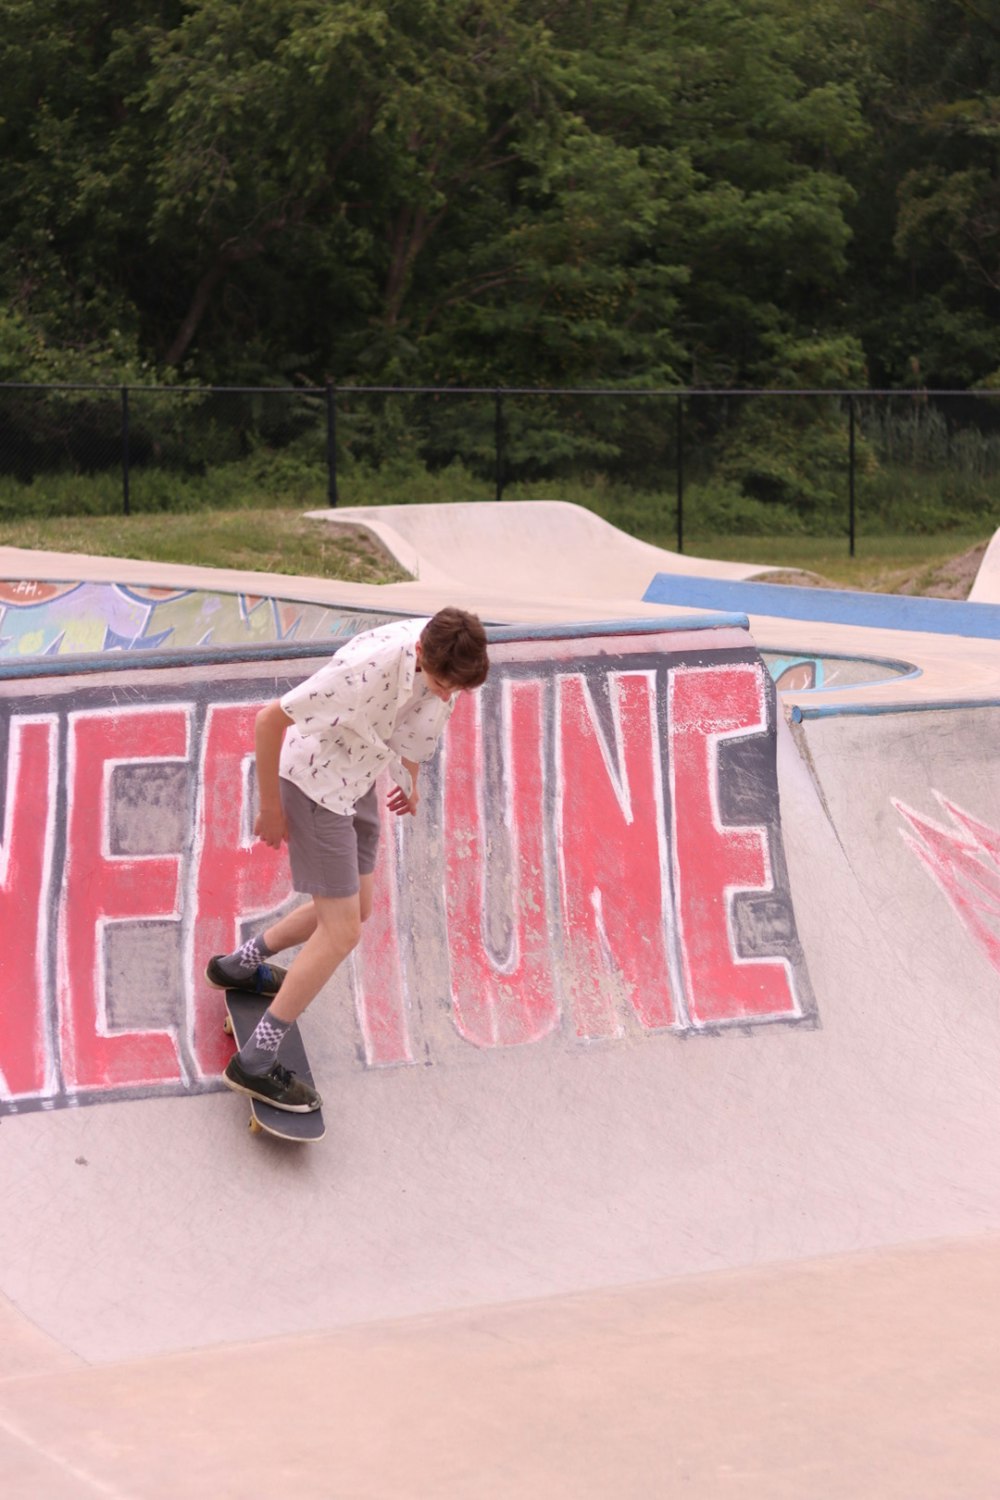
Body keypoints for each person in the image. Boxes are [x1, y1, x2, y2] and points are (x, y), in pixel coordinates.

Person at [207, 606, 490, 1111]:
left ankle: (237, 965)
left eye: (458, 688)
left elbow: (419, 719)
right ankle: (255, 1061)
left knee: (354, 910)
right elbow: (269, 719)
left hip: (358, 775)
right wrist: (270, 807)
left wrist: (412, 779)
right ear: (420, 653)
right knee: (343, 932)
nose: (448, 694)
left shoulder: (445, 654)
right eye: (443, 683)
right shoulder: (366, 672)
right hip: (313, 783)